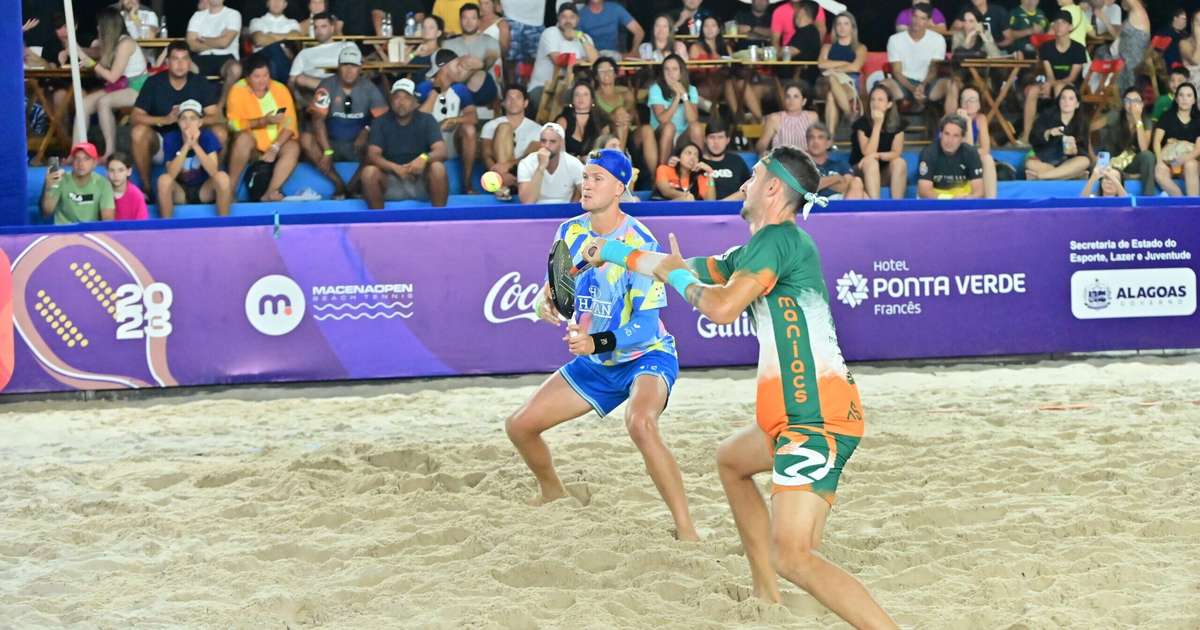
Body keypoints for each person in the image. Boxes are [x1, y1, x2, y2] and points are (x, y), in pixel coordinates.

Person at [582, 146, 895, 629]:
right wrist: (614, 252)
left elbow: (721, 307)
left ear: (774, 188)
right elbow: (681, 266)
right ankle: (766, 594)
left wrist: (672, 272)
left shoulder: (779, 241)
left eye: (753, 176)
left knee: (795, 556)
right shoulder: (757, 249)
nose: (744, 183)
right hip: (793, 415)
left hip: (813, 419)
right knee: (732, 461)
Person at [507, 148, 700, 542]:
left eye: (597, 178)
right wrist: (544, 300)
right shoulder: (569, 231)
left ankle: (686, 529)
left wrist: (595, 341)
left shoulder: (641, 243)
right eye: (586, 176)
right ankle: (552, 492)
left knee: (640, 423)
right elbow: (557, 284)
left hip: (645, 356)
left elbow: (646, 328)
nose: (587, 184)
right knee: (519, 426)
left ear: (620, 187)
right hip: (596, 362)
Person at [130, 42, 223, 195]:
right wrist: (165, 119)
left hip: (195, 140)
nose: (180, 64)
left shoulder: (199, 82)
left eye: (184, 59)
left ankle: (215, 185)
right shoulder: (154, 83)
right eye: (175, 59)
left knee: (220, 132)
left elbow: (217, 116)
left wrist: (192, 124)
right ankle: (146, 189)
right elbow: (135, 117)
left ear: (189, 62)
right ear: (167, 62)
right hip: (162, 141)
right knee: (138, 132)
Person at [302, 46, 388, 197]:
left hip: (357, 146)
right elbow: (317, 120)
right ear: (338, 67)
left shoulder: (369, 88)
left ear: (360, 68)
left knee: (380, 143)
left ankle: (353, 186)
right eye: (345, 65)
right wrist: (327, 150)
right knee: (306, 139)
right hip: (330, 143)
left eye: (353, 65)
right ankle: (339, 184)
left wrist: (366, 130)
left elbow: (383, 120)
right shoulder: (327, 85)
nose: (349, 70)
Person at [361, 78, 450, 208]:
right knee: (368, 172)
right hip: (392, 180)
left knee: (438, 167)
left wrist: (423, 158)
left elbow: (441, 151)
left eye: (406, 97)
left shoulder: (427, 120)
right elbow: (373, 155)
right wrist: (395, 168)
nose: (401, 102)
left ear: (415, 102)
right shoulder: (380, 122)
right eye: (397, 97)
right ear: (391, 101)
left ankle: (440, 220)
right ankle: (379, 223)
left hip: (420, 180)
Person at [76, 8, 149, 164]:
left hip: (137, 87)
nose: (97, 28)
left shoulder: (125, 43)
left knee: (104, 102)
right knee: (84, 104)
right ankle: (76, 151)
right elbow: (94, 54)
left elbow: (112, 76)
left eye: (99, 25)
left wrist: (91, 63)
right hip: (120, 86)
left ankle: (110, 151)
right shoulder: (112, 43)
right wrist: (75, 49)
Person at [226, 54, 301, 202]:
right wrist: (262, 121)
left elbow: (290, 125)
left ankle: (270, 193)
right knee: (243, 139)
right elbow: (233, 125)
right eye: (257, 77)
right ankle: (230, 190)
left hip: (276, 145)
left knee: (293, 147)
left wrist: (275, 147)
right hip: (252, 148)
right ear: (247, 77)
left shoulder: (280, 89)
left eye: (266, 75)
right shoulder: (237, 90)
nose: (263, 81)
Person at [416, 49, 480, 193]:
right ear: (443, 67)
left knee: (469, 129)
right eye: (457, 64)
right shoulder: (424, 87)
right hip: (429, 144)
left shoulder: (460, 89)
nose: (460, 68)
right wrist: (436, 91)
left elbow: (473, 117)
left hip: (451, 141)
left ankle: (467, 183)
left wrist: (454, 119)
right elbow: (418, 120)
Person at [157, 99, 234, 218]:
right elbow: (171, 174)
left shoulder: (207, 136)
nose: (188, 122)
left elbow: (213, 171)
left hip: (203, 190)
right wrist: (186, 145)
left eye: (193, 118)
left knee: (222, 177)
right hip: (180, 191)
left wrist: (195, 145)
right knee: (163, 180)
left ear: (200, 122)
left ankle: (224, 224)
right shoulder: (171, 138)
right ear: (178, 122)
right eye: (183, 118)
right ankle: (166, 227)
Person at [1020, 11, 1086, 146]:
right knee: (1033, 90)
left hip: (1071, 86)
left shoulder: (1078, 48)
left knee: (1060, 88)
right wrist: (1049, 84)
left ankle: (1060, 135)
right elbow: (1049, 74)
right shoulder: (1046, 47)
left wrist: (1052, 84)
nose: (1058, 26)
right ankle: (1026, 137)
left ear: (1070, 27)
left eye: (1063, 23)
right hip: (1051, 83)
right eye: (1056, 23)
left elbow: (1072, 77)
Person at [882, 4, 957, 116]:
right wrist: (913, 89)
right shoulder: (895, 40)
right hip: (904, 84)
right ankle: (879, 129)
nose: (917, 21)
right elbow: (897, 72)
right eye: (915, 16)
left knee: (952, 85)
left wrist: (922, 85)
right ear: (910, 17)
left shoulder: (938, 40)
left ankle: (950, 126)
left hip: (928, 83)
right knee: (882, 86)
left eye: (922, 18)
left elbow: (933, 70)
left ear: (928, 21)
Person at [528, 4, 598, 110]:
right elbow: (558, 60)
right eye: (564, 17)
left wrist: (580, 37)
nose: (568, 20)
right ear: (558, 19)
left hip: (570, 89)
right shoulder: (551, 32)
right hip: (543, 87)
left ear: (577, 20)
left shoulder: (584, 37)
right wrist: (582, 60)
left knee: (591, 100)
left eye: (572, 17)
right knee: (573, 101)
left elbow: (597, 62)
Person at [482, 86, 541, 201]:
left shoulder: (537, 128)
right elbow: (486, 155)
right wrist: (500, 175)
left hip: (523, 175)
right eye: (509, 98)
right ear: (503, 103)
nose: (513, 101)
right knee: (504, 127)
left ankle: (507, 186)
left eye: (518, 98)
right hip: (496, 175)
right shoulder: (490, 125)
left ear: (525, 103)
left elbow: (532, 155)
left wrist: (508, 166)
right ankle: (502, 186)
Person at [646, 54, 703, 169]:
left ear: (681, 72)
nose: (670, 73)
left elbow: (693, 120)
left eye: (674, 69)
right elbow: (663, 119)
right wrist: (677, 97)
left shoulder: (691, 90)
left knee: (697, 127)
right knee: (669, 127)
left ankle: (698, 169)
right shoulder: (656, 89)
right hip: (660, 133)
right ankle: (662, 170)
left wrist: (685, 96)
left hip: (682, 135)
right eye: (666, 69)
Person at [1095, 86, 1155, 195]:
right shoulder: (1116, 115)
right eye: (1128, 101)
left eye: (1136, 101)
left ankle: (1148, 200)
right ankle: (1128, 176)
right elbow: (1091, 127)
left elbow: (1144, 148)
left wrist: (1138, 120)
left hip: (1132, 163)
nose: (1131, 104)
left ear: (1142, 104)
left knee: (1148, 156)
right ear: (1123, 103)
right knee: (1104, 162)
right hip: (1112, 162)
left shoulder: (1146, 121)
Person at [851, 85, 908, 200]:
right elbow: (867, 153)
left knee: (899, 162)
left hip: (884, 172)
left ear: (889, 104)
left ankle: (897, 208)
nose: (875, 103)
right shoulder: (861, 124)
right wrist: (877, 124)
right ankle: (875, 208)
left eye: (880, 100)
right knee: (871, 163)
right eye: (873, 99)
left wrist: (877, 155)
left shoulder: (898, 124)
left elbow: (896, 152)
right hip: (862, 171)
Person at [1026, 85, 1091, 181]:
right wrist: (1048, 133)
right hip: (1047, 160)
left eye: (1071, 99)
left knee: (1084, 161)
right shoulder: (1047, 116)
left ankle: (1042, 176)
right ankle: (1071, 175)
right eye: (1063, 98)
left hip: (1069, 162)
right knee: (1030, 164)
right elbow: (1032, 138)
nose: (1066, 102)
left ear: (1077, 104)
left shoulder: (1082, 122)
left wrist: (1075, 150)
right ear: (1059, 101)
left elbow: (1084, 149)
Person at [41, 143, 115, 225]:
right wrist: (48, 187)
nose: (81, 163)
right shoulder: (60, 179)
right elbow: (47, 212)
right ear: (72, 162)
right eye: (77, 159)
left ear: (94, 163)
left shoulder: (103, 183)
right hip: (64, 232)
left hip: (90, 232)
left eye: (86, 159)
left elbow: (108, 220)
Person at [817, 12, 866, 136]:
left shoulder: (860, 48)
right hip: (826, 83)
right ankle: (850, 113)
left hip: (850, 83)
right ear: (834, 28)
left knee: (831, 97)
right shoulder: (827, 47)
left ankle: (830, 139)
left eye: (846, 24)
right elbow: (821, 64)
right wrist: (844, 63)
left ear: (852, 27)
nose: (842, 27)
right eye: (839, 24)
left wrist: (834, 68)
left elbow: (855, 66)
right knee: (832, 79)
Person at [917, 115, 985, 199]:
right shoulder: (928, 153)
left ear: (963, 138)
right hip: (937, 200)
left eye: (955, 136)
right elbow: (924, 192)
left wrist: (967, 199)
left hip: (963, 199)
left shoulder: (971, 153)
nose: (950, 140)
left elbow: (979, 191)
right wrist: (950, 199)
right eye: (946, 134)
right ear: (940, 134)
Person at [517, 122, 584, 204]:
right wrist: (541, 167)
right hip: (536, 212)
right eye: (543, 141)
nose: (547, 146)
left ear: (561, 143)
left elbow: (589, 193)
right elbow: (527, 202)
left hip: (565, 212)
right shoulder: (526, 163)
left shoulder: (573, 163)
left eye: (552, 141)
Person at [289, 12, 356, 93]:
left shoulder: (347, 45)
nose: (319, 30)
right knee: (300, 79)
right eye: (316, 27)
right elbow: (292, 80)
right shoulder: (304, 53)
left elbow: (357, 67)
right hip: (315, 89)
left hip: (341, 82)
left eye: (323, 26)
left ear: (332, 28)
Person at [1153, 82, 1200, 197]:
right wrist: (1159, 161)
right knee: (1159, 171)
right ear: (1176, 98)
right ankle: (1179, 201)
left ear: (1194, 100)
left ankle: (1193, 205)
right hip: (1169, 160)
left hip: (1189, 160)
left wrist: (1182, 160)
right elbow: (1156, 141)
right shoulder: (1167, 116)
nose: (1185, 99)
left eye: (1189, 96)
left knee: (1191, 165)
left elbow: (1198, 149)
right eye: (1181, 95)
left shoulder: (1198, 119)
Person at [689, 16, 739, 121]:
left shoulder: (725, 47)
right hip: (704, 84)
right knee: (729, 83)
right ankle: (739, 119)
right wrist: (714, 66)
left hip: (723, 84)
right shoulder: (696, 47)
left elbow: (733, 65)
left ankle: (747, 120)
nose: (710, 29)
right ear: (702, 29)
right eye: (706, 26)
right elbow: (691, 68)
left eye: (713, 26)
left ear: (718, 29)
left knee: (737, 82)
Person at [186, 0, 242, 89]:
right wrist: (219, 39)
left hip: (226, 58)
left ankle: (222, 103)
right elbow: (191, 45)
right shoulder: (198, 16)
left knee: (235, 69)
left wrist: (202, 39)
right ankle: (193, 101)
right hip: (202, 58)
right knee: (182, 66)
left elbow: (225, 43)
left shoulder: (233, 14)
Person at [444, 3, 503, 87]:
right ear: (460, 20)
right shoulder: (448, 44)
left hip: (484, 87)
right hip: (455, 88)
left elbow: (491, 58)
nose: (469, 22)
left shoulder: (490, 41)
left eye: (473, 18)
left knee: (478, 77)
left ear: (479, 21)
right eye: (465, 18)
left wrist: (481, 64)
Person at [956, 86, 999, 198]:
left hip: (971, 159)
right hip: (952, 159)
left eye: (972, 100)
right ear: (960, 102)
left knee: (988, 159)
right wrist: (967, 123)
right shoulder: (954, 119)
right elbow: (965, 150)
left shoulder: (981, 118)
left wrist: (969, 122)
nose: (967, 103)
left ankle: (991, 202)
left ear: (979, 104)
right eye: (964, 99)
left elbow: (985, 149)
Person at [806, 122, 865, 200]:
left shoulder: (840, 165)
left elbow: (848, 184)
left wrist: (822, 183)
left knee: (857, 182)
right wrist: (836, 178)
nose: (815, 141)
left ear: (828, 143)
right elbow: (807, 188)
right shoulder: (801, 166)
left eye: (820, 137)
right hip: (814, 203)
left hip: (840, 201)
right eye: (811, 137)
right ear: (807, 142)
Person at [249, 0, 302, 83]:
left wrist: (270, 35)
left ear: (285, 4)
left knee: (275, 58)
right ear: (267, 3)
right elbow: (259, 40)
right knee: (274, 47)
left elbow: (296, 37)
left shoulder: (292, 23)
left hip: (284, 60)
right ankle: (289, 86)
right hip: (261, 60)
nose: (276, 3)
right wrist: (285, 38)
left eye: (280, 0)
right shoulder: (257, 21)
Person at [757, 82, 818, 155]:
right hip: (782, 161)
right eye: (788, 96)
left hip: (806, 161)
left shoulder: (812, 117)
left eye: (796, 96)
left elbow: (817, 141)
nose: (791, 100)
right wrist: (763, 151)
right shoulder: (775, 118)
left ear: (804, 101)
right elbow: (762, 143)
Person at [593, 56, 639, 151]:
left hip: (630, 131)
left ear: (615, 73)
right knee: (620, 117)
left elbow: (633, 114)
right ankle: (619, 159)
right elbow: (596, 119)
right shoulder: (593, 96)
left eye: (610, 70)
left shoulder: (625, 93)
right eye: (602, 70)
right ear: (596, 75)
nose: (606, 73)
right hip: (606, 132)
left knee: (647, 131)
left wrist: (622, 115)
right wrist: (614, 116)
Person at [700, 118, 752, 201]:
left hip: (734, 210)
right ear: (705, 140)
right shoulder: (699, 163)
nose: (716, 142)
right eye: (712, 137)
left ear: (727, 140)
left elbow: (749, 188)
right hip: (705, 211)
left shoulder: (736, 161)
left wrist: (721, 205)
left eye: (720, 137)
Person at [555, 82, 610, 160]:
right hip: (566, 165)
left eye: (585, 94)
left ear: (592, 100)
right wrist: (577, 160)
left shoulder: (601, 123)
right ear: (572, 100)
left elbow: (605, 154)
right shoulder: (563, 121)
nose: (581, 98)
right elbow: (556, 151)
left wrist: (588, 158)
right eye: (577, 94)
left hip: (592, 166)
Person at [577, 0, 643, 57]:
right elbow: (577, 39)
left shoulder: (615, 8)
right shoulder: (580, 15)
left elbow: (639, 31)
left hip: (616, 59)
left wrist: (634, 51)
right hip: (593, 60)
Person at [1114, 0, 1149, 93]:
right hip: (1123, 62)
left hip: (1132, 64)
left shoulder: (1138, 11)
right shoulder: (1131, 16)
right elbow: (1116, 34)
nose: (1122, 3)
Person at [106, 152, 148, 221]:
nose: (116, 175)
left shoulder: (137, 195)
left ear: (129, 171)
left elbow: (142, 225)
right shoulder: (103, 192)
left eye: (121, 170)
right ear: (107, 172)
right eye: (111, 170)